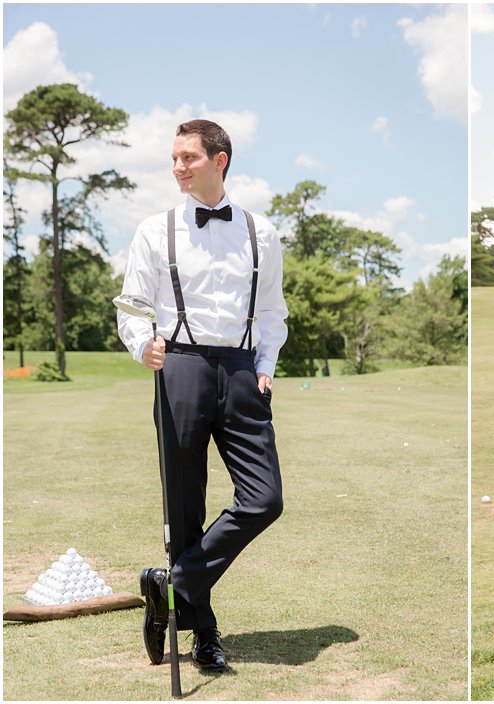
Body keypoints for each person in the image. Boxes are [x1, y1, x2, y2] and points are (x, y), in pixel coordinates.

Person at [117, 119, 289, 671]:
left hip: (242, 372)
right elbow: (131, 307)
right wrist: (143, 344)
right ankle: (205, 634)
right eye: (173, 158)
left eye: (188, 157)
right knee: (184, 509)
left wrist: (265, 364)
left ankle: (172, 584)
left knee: (264, 499)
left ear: (220, 160)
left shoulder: (262, 233)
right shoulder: (155, 229)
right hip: (181, 367)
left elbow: (272, 312)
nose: (177, 167)